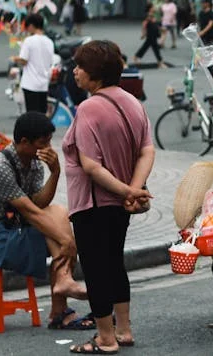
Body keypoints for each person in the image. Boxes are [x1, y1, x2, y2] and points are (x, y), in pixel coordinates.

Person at [64, 40, 155, 354]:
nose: (75, 72)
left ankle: (105, 337)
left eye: (80, 67)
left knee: (95, 267)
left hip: (92, 203)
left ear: (96, 74)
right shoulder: (133, 102)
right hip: (120, 205)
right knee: (114, 262)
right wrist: (134, 188)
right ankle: (124, 329)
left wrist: (127, 189)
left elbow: (91, 165)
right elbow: (146, 150)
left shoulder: (89, 107)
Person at [0, 112, 93, 330]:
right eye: (43, 143)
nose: (48, 148)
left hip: (14, 228)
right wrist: (67, 241)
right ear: (24, 142)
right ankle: (59, 309)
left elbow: (39, 203)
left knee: (58, 212)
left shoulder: (32, 163)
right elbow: (31, 212)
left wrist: (55, 173)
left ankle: (62, 289)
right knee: (58, 234)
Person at [12, 13, 54, 114]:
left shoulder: (29, 41)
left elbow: (24, 60)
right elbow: (50, 61)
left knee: (31, 115)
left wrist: (15, 59)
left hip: (30, 84)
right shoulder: (49, 42)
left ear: (31, 26)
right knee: (41, 114)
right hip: (44, 83)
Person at [134, 4, 166, 69]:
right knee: (155, 48)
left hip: (153, 33)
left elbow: (155, 24)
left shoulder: (153, 14)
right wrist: (143, 33)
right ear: (150, 8)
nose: (154, 8)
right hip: (151, 34)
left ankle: (136, 57)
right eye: (153, 7)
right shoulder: (149, 15)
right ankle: (160, 63)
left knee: (146, 46)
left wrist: (160, 29)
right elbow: (145, 24)